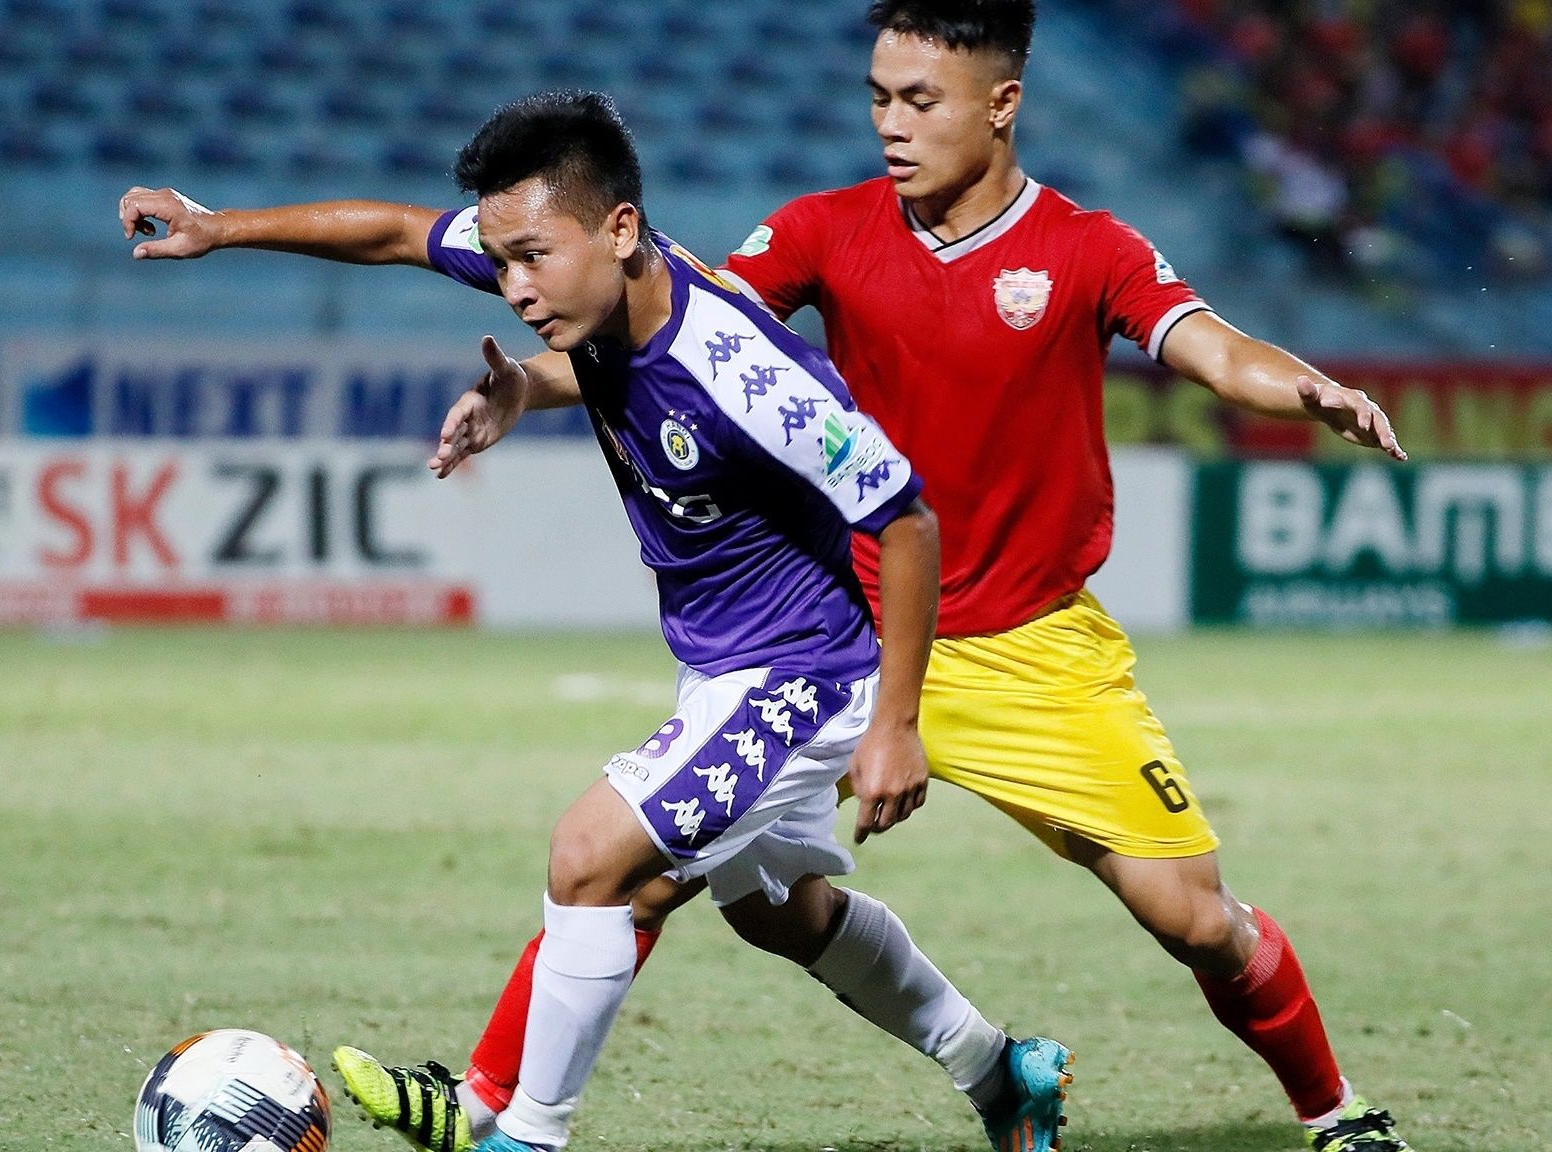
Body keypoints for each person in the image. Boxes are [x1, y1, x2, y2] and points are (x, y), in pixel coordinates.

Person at [416, 5, 1417, 1151]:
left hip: (1029, 648)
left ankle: (1334, 1114)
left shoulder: (1087, 249)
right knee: (637, 872)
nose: (889, 124)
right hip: (848, 640)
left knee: (1192, 919)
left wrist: (1304, 388)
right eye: (878, 97)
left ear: (1000, 104)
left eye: (919, 100)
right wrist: (532, 386)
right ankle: (489, 1106)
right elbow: (669, 340)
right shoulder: (821, 230)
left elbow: (1214, 349)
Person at [123, 92, 1073, 1152]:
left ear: (620, 229)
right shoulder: (571, 269)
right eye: (500, 263)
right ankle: (1001, 1072)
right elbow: (394, 232)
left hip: (804, 677)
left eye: (531, 260)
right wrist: (219, 227)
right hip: (725, 666)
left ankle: (519, 1133)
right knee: (777, 912)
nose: (513, 288)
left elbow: (903, 517)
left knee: (589, 856)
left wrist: (894, 722)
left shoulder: (750, 375)